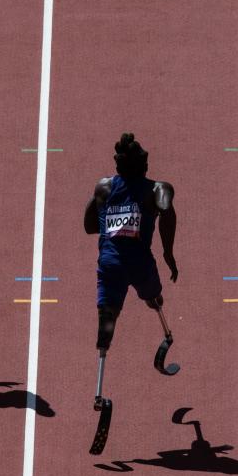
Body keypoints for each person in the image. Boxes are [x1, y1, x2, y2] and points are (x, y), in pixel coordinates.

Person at [83, 133, 178, 363]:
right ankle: (154, 301)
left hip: (110, 262)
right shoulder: (157, 188)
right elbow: (167, 210)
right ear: (144, 166)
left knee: (108, 312)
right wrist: (168, 253)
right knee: (153, 296)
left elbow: (88, 225)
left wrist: (113, 224)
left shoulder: (104, 187)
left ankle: (104, 340)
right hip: (140, 264)